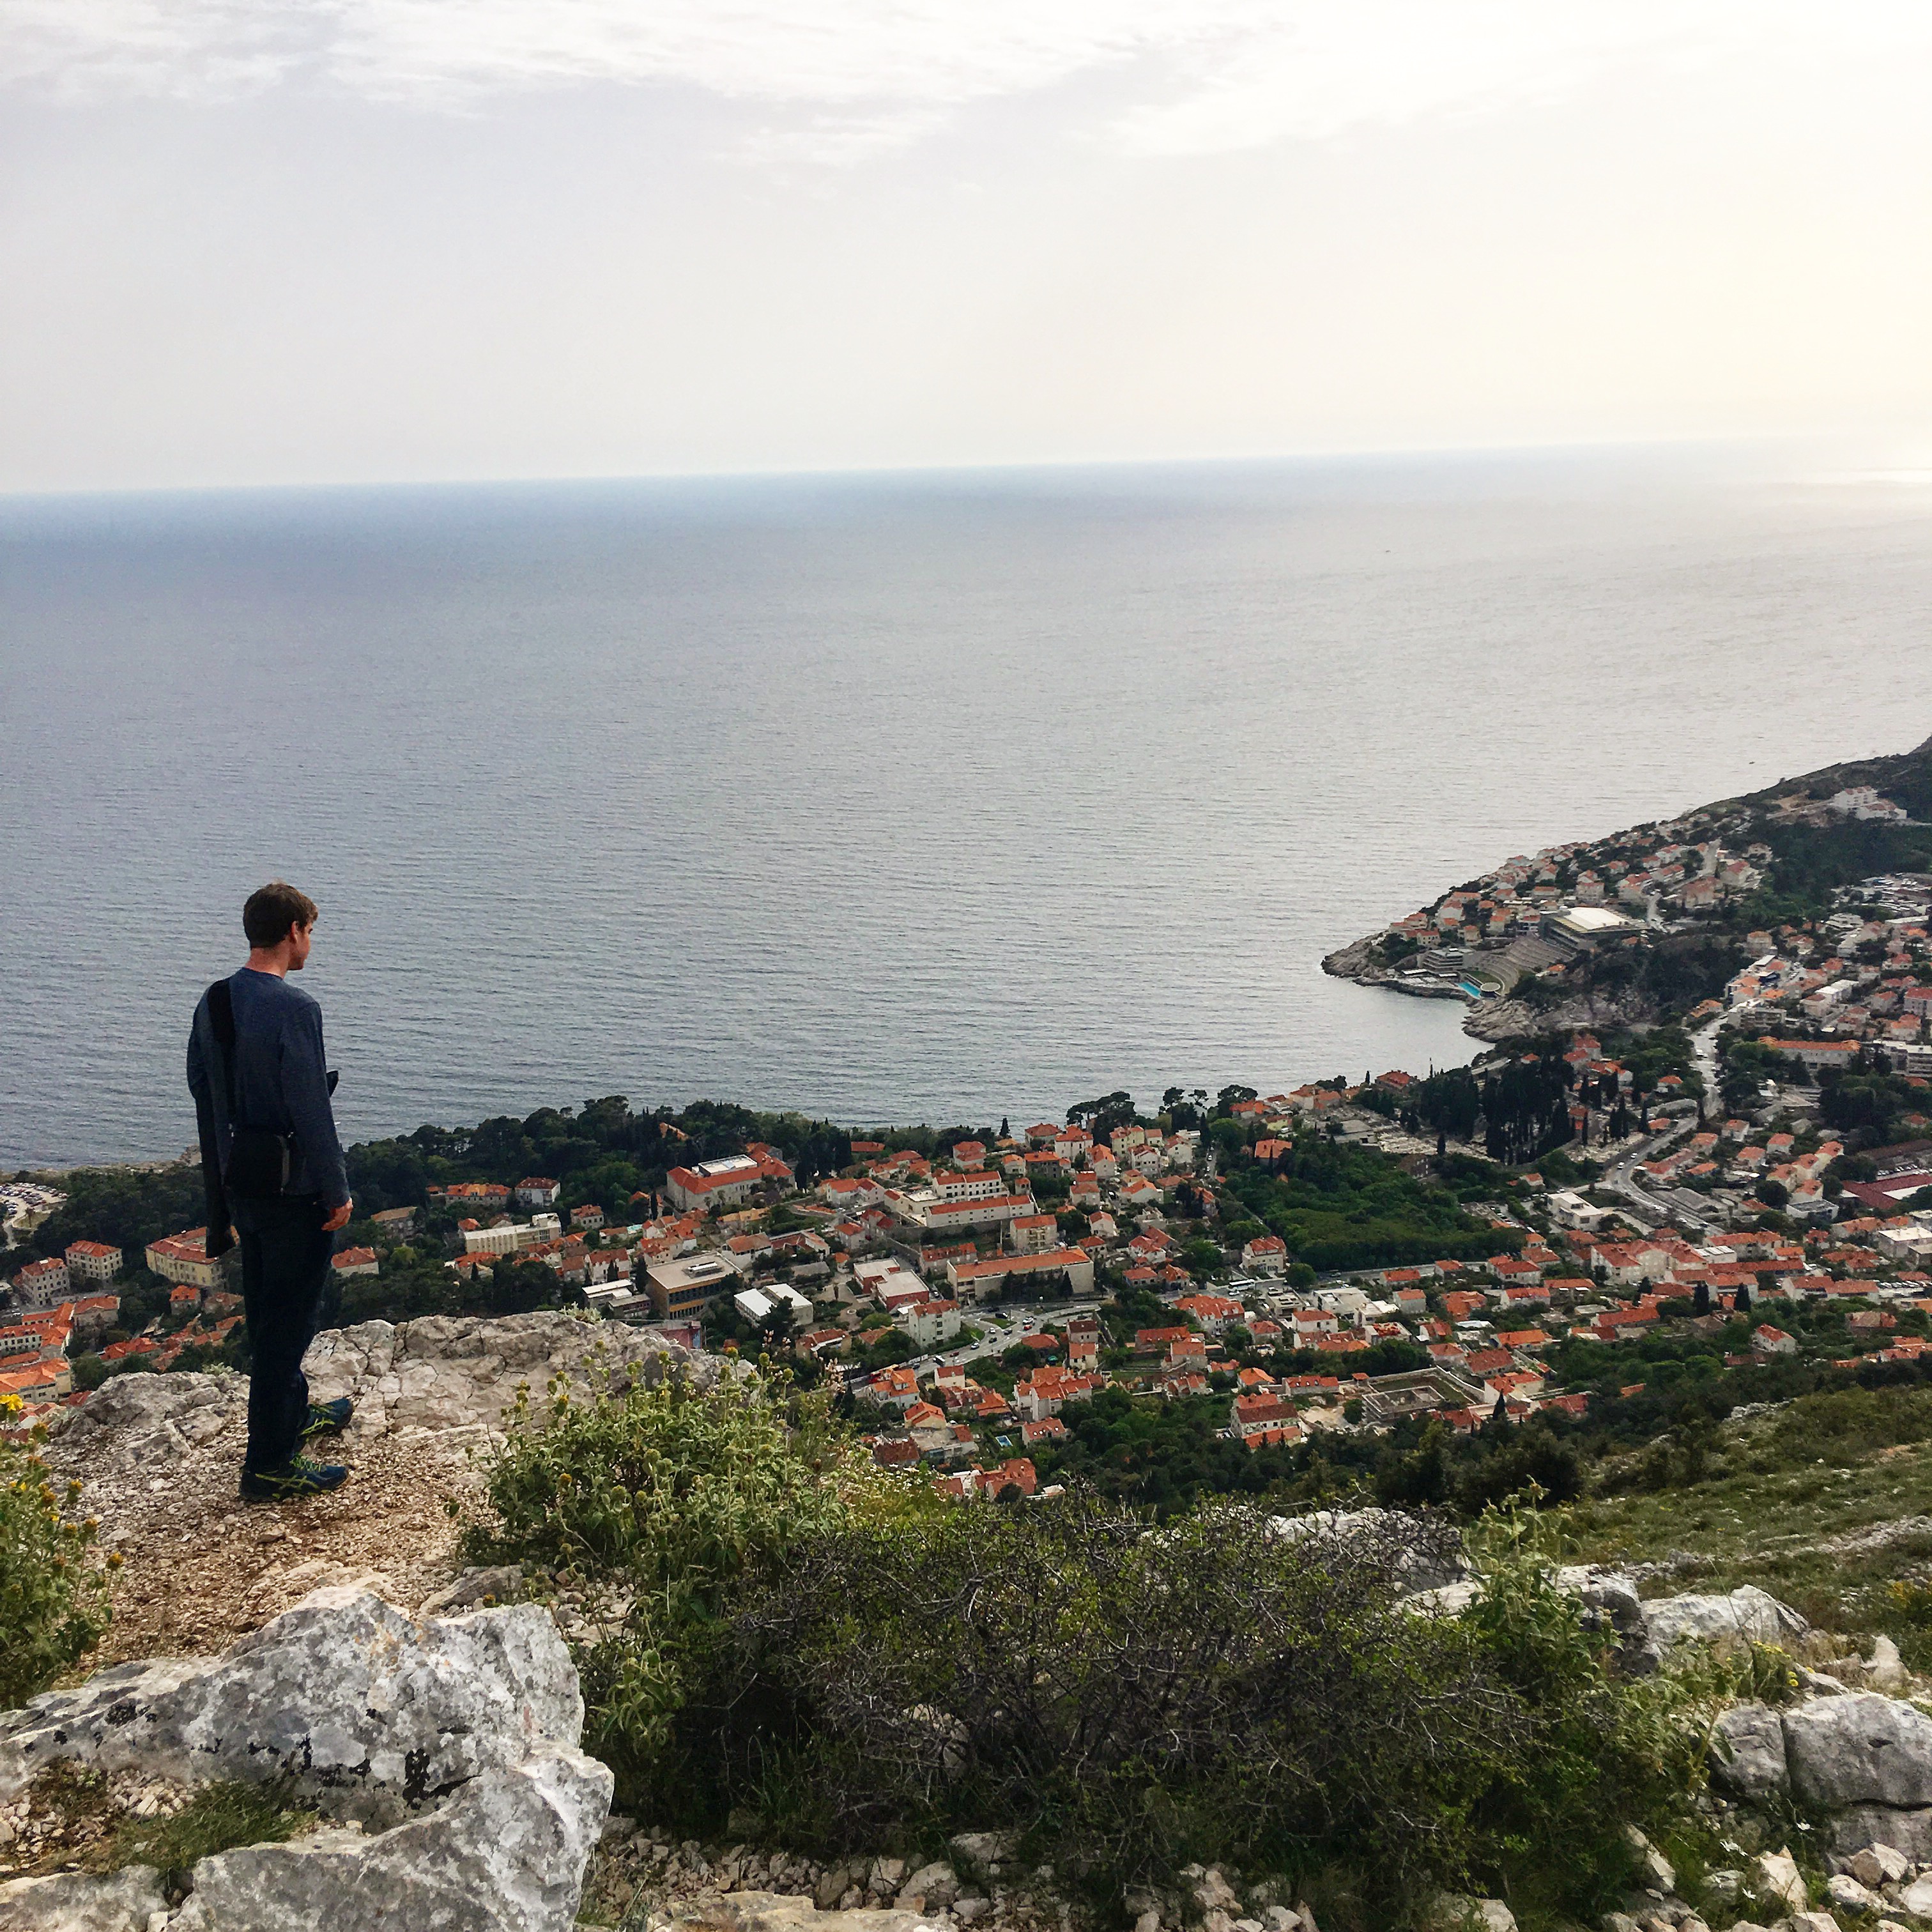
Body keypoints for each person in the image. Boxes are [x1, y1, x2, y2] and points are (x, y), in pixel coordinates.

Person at [187, 881, 356, 1501]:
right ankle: (269, 1465)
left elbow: (200, 1084)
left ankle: (292, 1416)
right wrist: (337, 1189)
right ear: (292, 932)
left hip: (242, 1188)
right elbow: (311, 1109)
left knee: (268, 1314)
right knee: (290, 1323)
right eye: (309, 931)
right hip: (294, 1194)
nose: (310, 942)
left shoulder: (216, 1002)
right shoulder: (295, 1010)